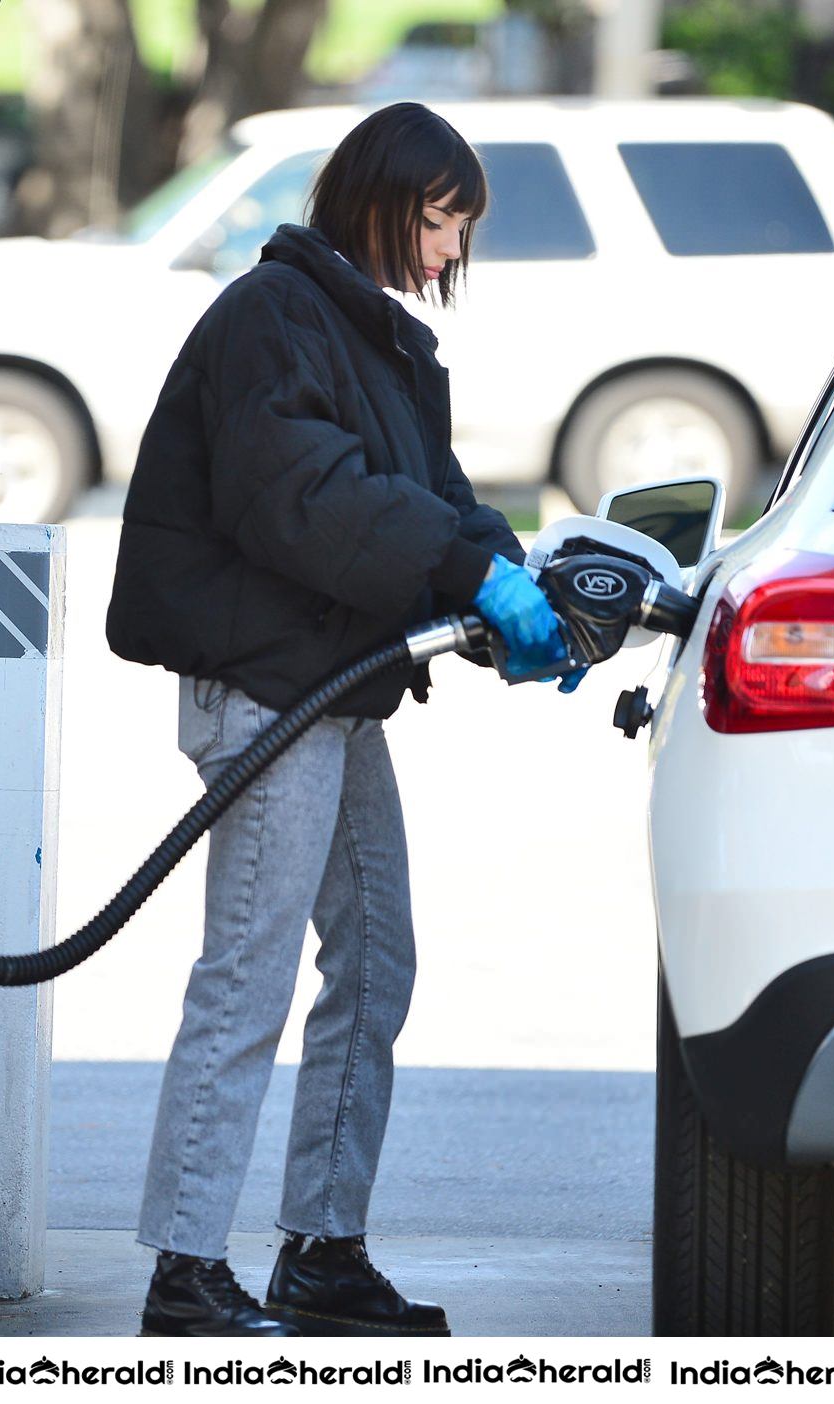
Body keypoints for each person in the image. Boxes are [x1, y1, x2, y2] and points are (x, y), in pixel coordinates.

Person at [106, 101, 576, 1339]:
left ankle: (322, 1250)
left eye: (462, 228)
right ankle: (184, 1272)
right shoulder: (274, 317)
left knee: (376, 958)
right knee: (246, 975)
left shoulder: (381, 341)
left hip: (336, 689)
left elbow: (435, 502)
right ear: (375, 195)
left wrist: (519, 589)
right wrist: (470, 576)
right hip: (268, 689)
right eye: (437, 217)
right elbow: (304, 497)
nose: (447, 252)